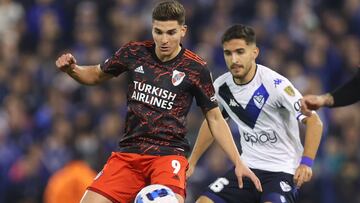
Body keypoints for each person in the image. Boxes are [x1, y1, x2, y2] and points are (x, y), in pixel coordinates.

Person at [55, 1, 261, 203]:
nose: (164, 39)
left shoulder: (196, 68)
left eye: (171, 32)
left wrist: (238, 162)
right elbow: (96, 75)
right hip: (129, 154)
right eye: (158, 31)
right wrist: (73, 70)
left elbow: (215, 119)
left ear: (183, 31)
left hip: (168, 155)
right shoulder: (134, 53)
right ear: (152, 29)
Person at [187, 24, 324, 203]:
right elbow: (213, 121)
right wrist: (193, 160)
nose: (234, 59)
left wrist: (306, 163)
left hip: (283, 170)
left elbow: (315, 121)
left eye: (240, 52)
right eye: (228, 53)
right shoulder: (221, 87)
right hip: (247, 168)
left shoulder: (276, 85)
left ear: (254, 52)